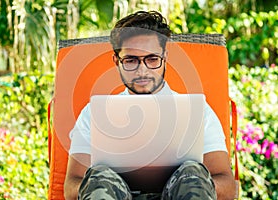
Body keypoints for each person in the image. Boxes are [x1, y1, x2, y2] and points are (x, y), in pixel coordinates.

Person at [64, 10, 236, 200]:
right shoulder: (94, 114)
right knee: (98, 177)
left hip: (180, 194)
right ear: (117, 61)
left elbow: (227, 185)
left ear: (165, 57)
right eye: (131, 60)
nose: (142, 70)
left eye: (152, 59)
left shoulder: (197, 112)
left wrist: (199, 182)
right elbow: (72, 185)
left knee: (193, 173)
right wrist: (96, 184)